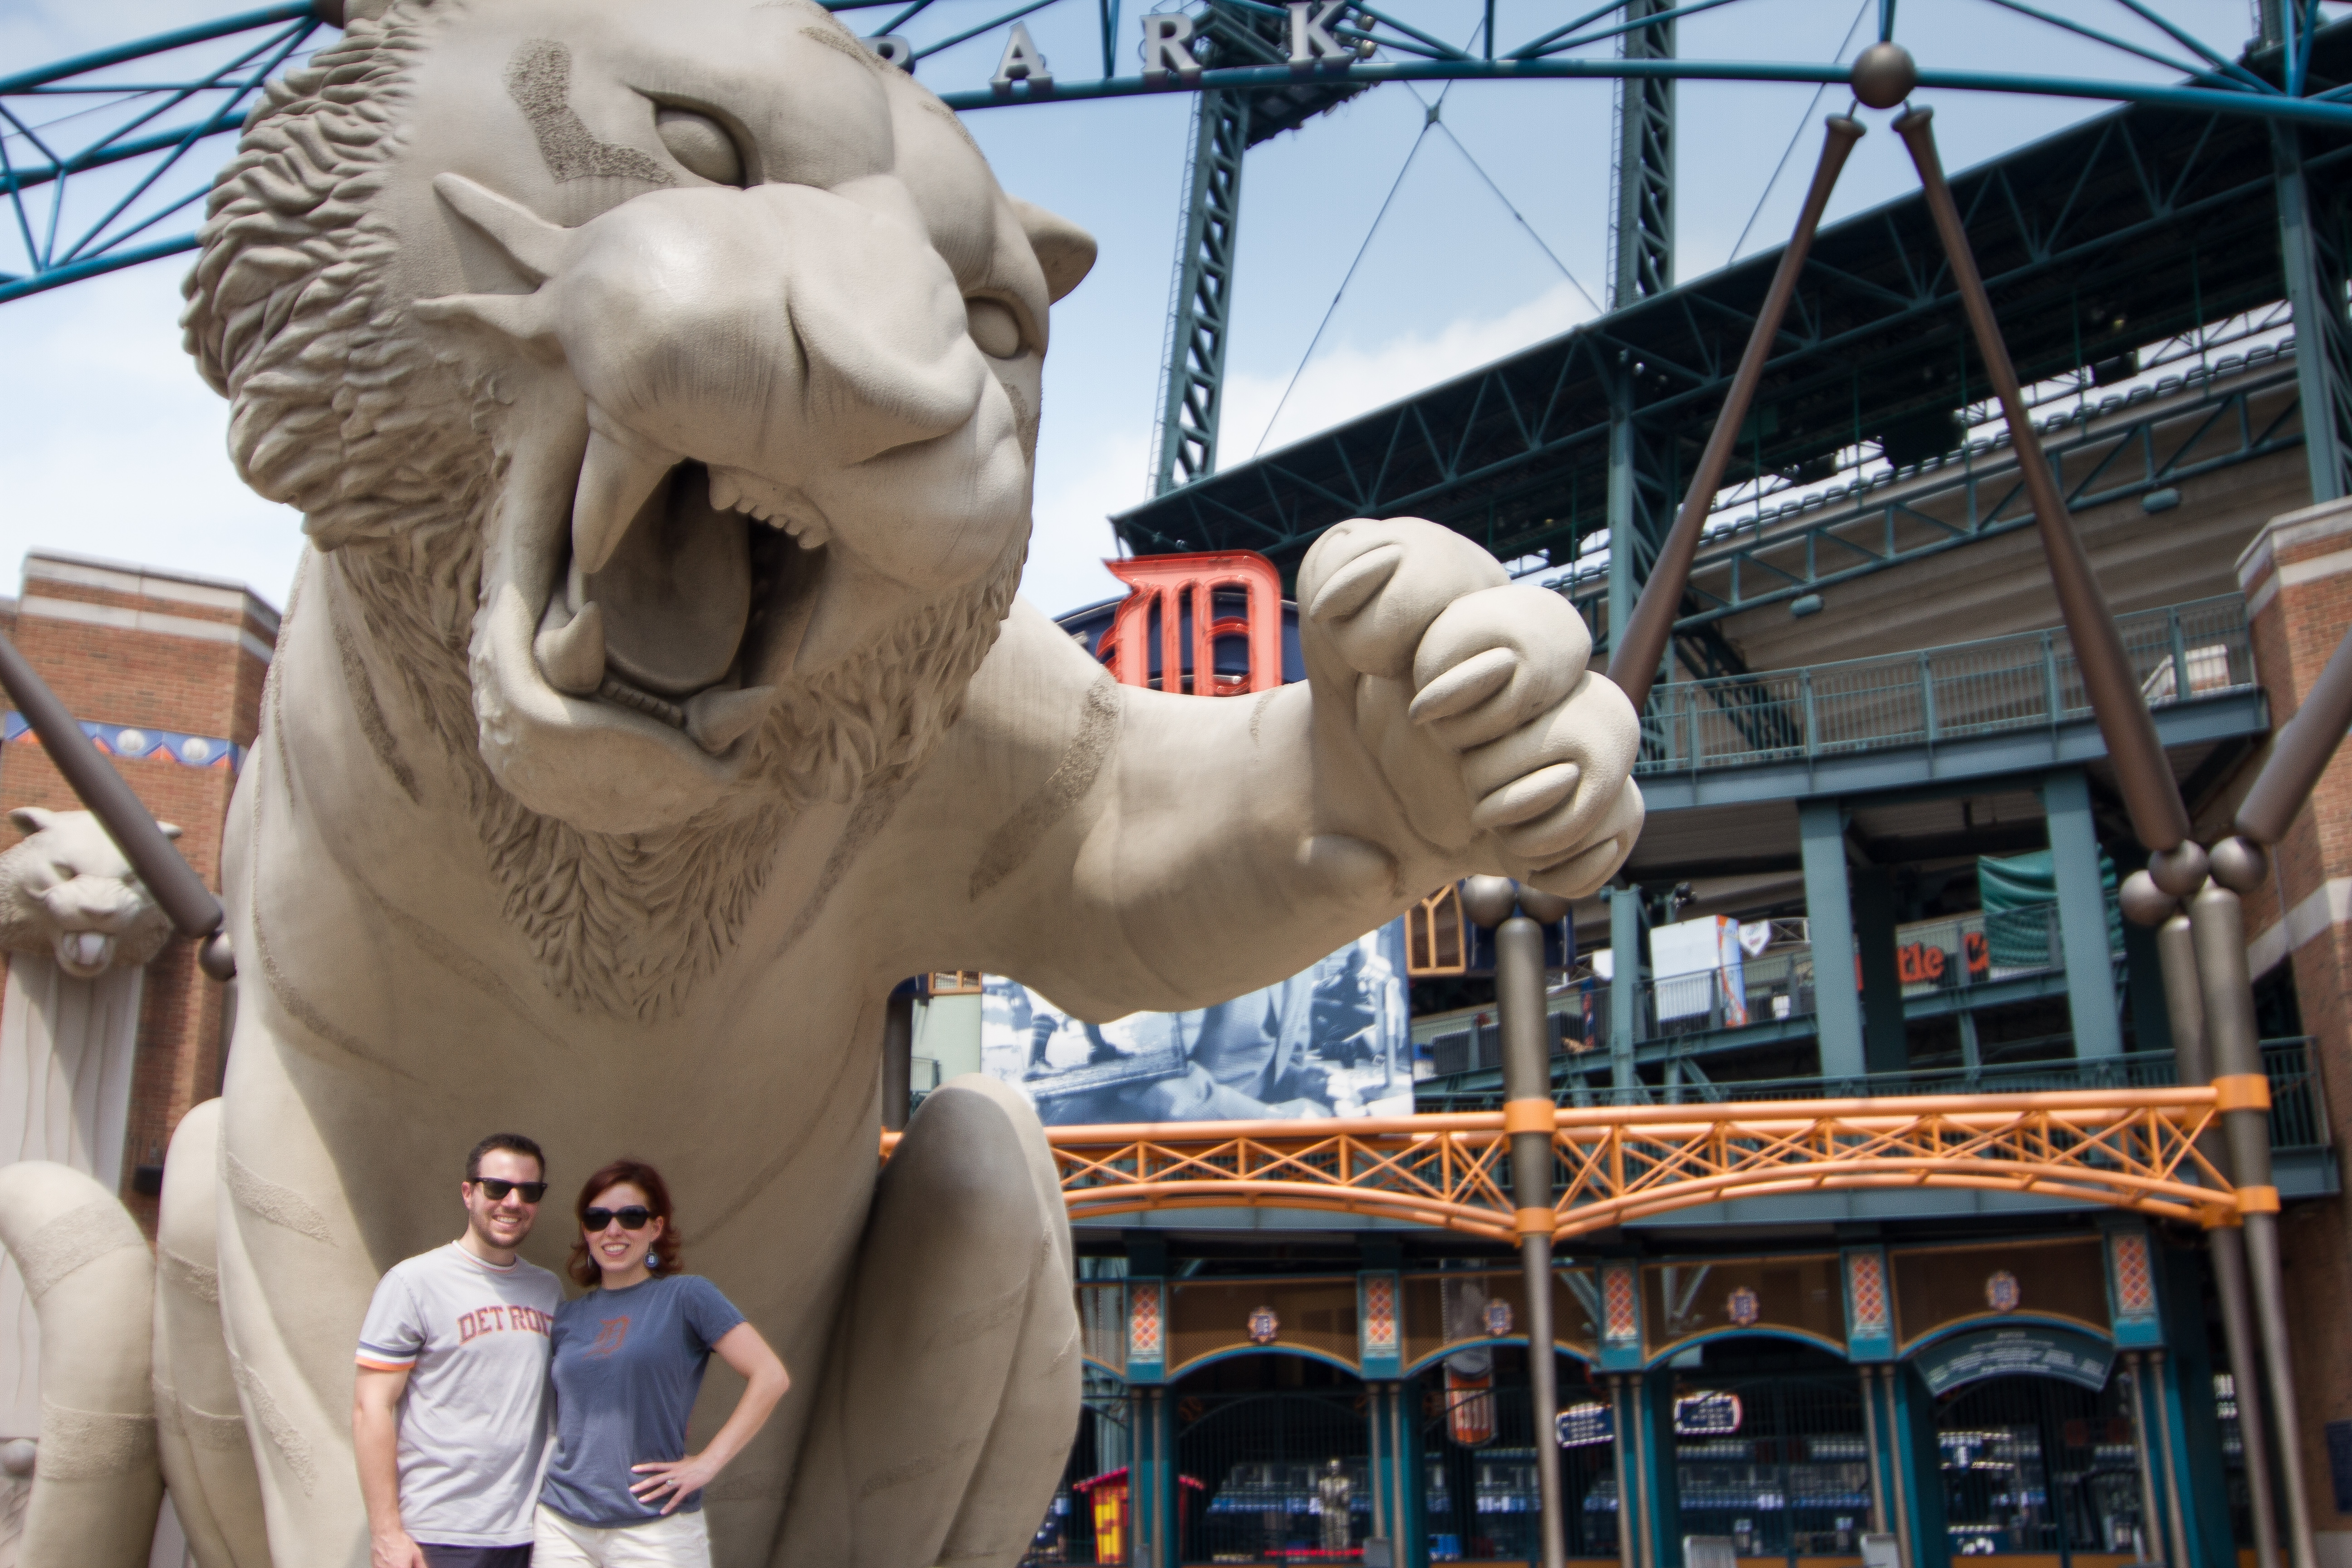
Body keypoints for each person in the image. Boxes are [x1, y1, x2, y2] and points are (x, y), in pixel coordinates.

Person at [534, 1159, 790, 1568]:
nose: (613, 1230)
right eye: (598, 1218)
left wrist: (708, 1463)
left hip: (655, 1527)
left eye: (630, 1217)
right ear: (586, 1230)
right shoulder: (567, 1318)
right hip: (563, 1523)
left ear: (656, 1228)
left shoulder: (687, 1297)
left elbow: (771, 1376)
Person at [355, 1132, 562, 1568]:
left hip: (532, 1534)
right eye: (497, 1187)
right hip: (439, 1535)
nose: (512, 1201)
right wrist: (386, 1532)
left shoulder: (547, 1290)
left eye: (529, 1191)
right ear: (469, 1193)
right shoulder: (414, 1283)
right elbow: (370, 1408)